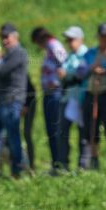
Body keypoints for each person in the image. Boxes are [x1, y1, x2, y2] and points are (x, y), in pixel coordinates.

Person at [77, 23, 106, 170]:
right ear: (98, 37)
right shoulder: (90, 53)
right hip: (90, 95)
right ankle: (94, 160)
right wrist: (93, 67)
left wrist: (105, 70)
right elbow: (80, 72)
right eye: (102, 36)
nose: (105, 39)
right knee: (92, 128)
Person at [0, 23, 28, 176]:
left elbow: (2, 72)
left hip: (12, 101)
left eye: (6, 37)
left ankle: (17, 170)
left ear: (15, 36)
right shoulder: (7, 55)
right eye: (2, 37)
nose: (4, 40)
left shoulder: (18, 53)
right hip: (2, 102)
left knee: (12, 137)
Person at [30, 26, 68, 171]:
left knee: (55, 129)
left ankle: (59, 163)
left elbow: (64, 62)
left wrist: (59, 79)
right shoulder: (49, 49)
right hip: (49, 93)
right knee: (50, 129)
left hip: (55, 92)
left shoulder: (54, 45)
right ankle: (55, 162)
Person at [59, 26, 88, 170]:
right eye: (68, 39)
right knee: (63, 132)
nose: (69, 42)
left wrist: (68, 75)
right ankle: (63, 164)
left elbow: (81, 74)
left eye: (72, 39)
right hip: (67, 97)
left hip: (80, 97)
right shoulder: (69, 56)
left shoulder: (85, 55)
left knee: (83, 133)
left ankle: (83, 165)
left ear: (80, 39)